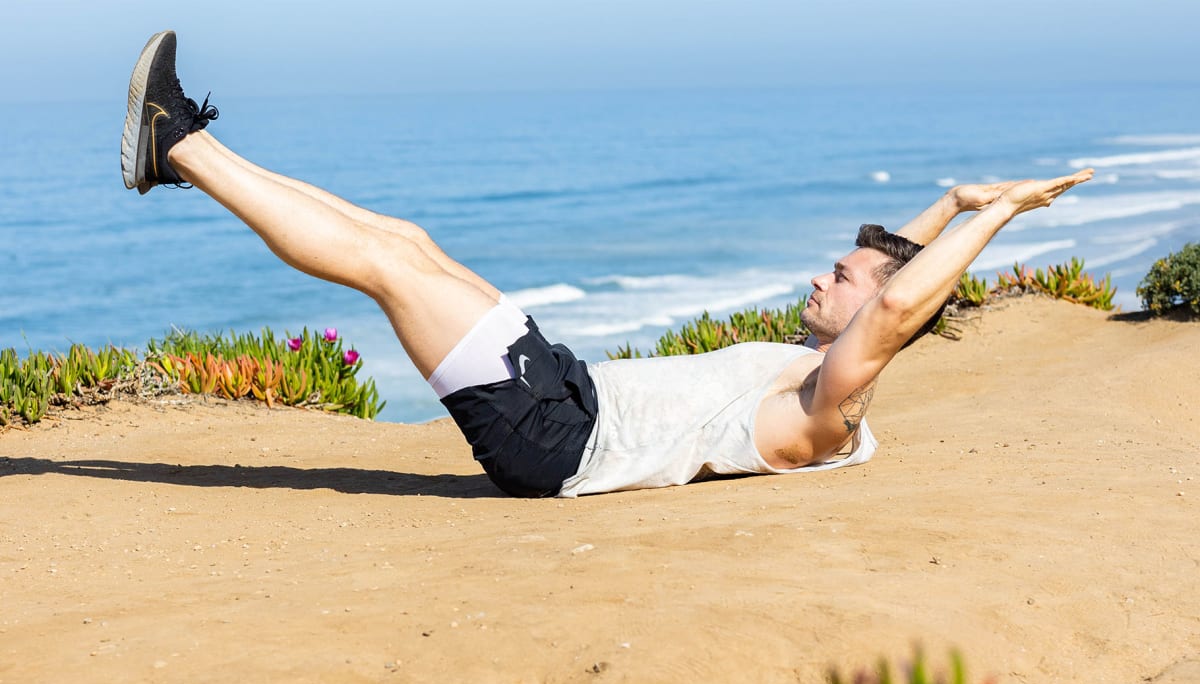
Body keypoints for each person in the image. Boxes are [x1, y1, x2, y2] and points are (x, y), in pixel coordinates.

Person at [122, 31, 1093, 498]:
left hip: (552, 440)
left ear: (877, 322)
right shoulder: (826, 363)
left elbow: (895, 306)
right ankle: (183, 146)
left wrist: (1002, 214)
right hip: (567, 390)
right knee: (405, 242)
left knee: (385, 267)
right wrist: (961, 201)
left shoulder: (830, 411)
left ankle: (179, 150)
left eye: (836, 281)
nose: (820, 280)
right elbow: (893, 276)